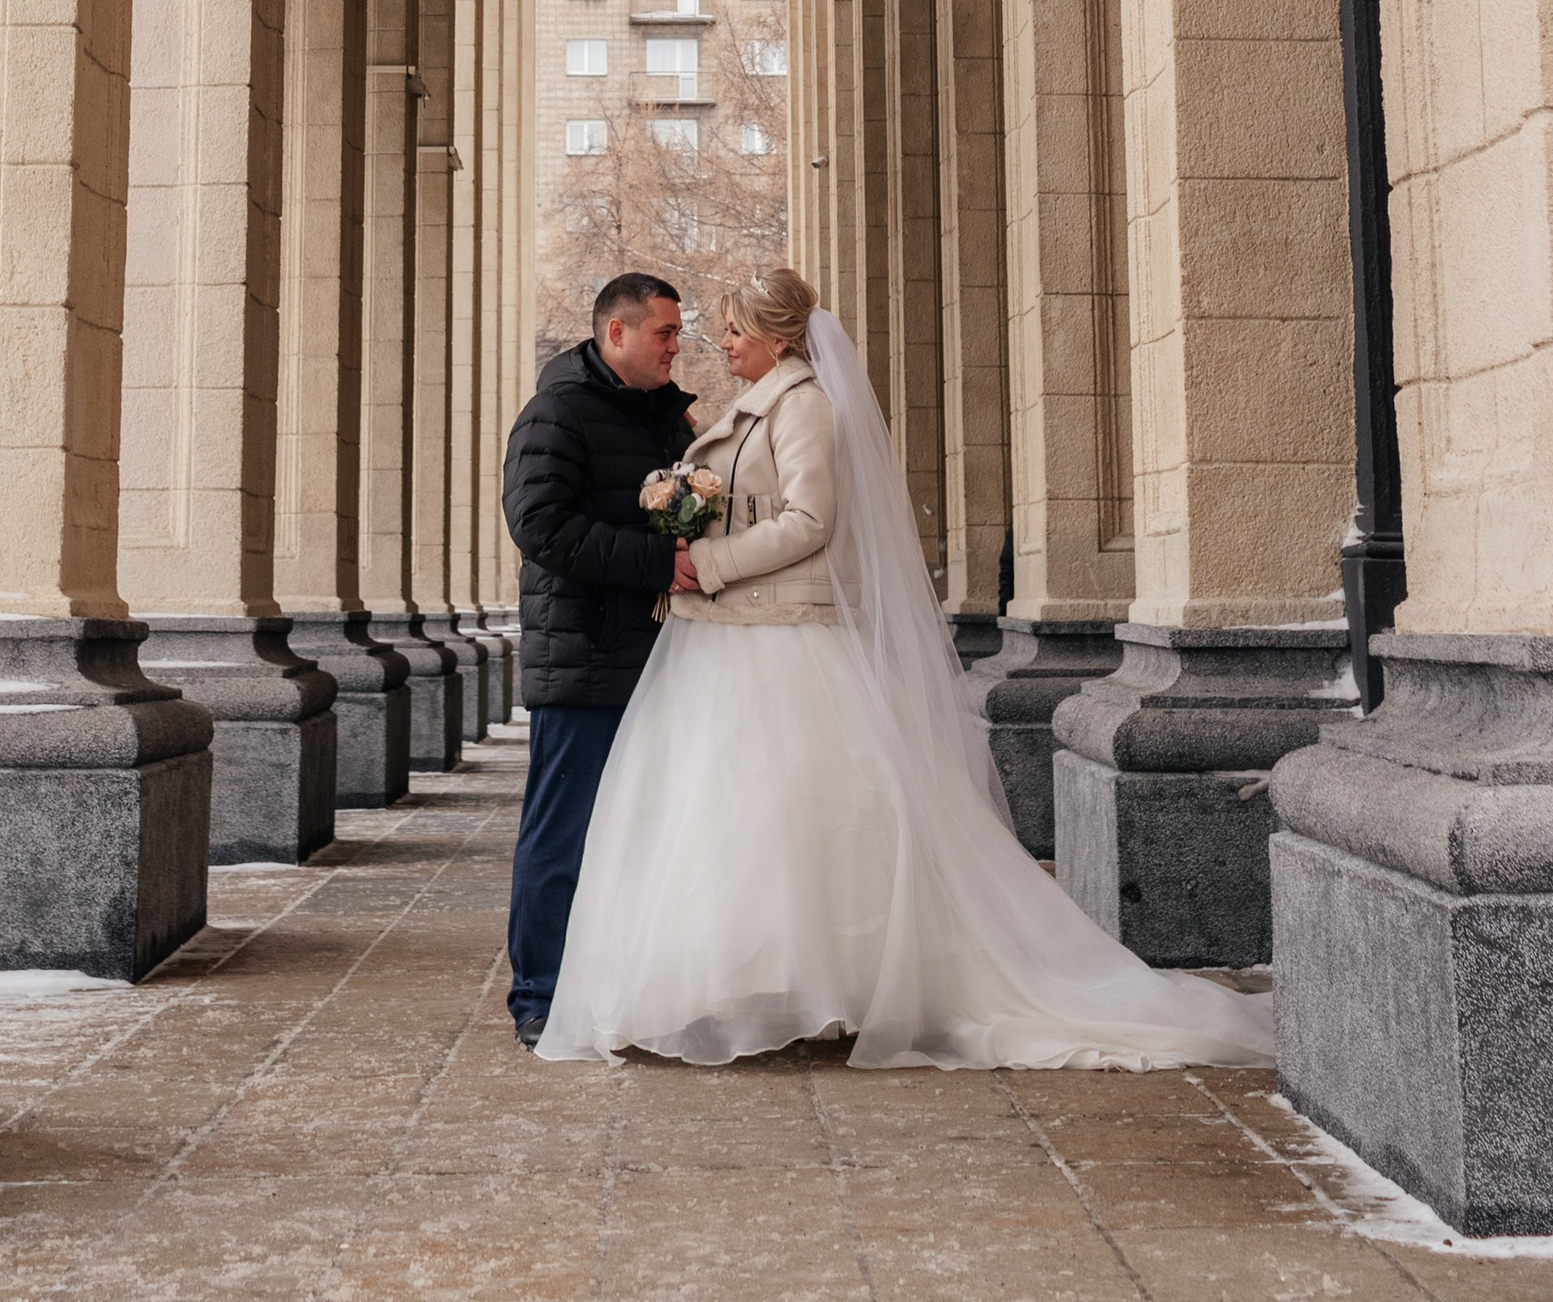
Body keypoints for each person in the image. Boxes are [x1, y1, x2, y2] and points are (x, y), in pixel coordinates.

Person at [537, 263, 1277, 1072]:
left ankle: (836, 985)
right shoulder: (756, 407)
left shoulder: (804, 405)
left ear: (779, 336)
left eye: (735, 329)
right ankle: (762, 982)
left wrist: (706, 560)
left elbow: (811, 520)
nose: (722, 343)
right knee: (747, 818)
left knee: (801, 815)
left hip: (777, 632)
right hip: (735, 633)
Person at [499, 268, 693, 1047]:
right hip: (581, 659)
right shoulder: (556, 412)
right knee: (564, 832)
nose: (677, 346)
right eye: (665, 332)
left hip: (658, 659)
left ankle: (614, 985)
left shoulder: (667, 422)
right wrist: (657, 563)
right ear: (616, 332)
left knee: (640, 832)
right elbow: (540, 526)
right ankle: (539, 995)